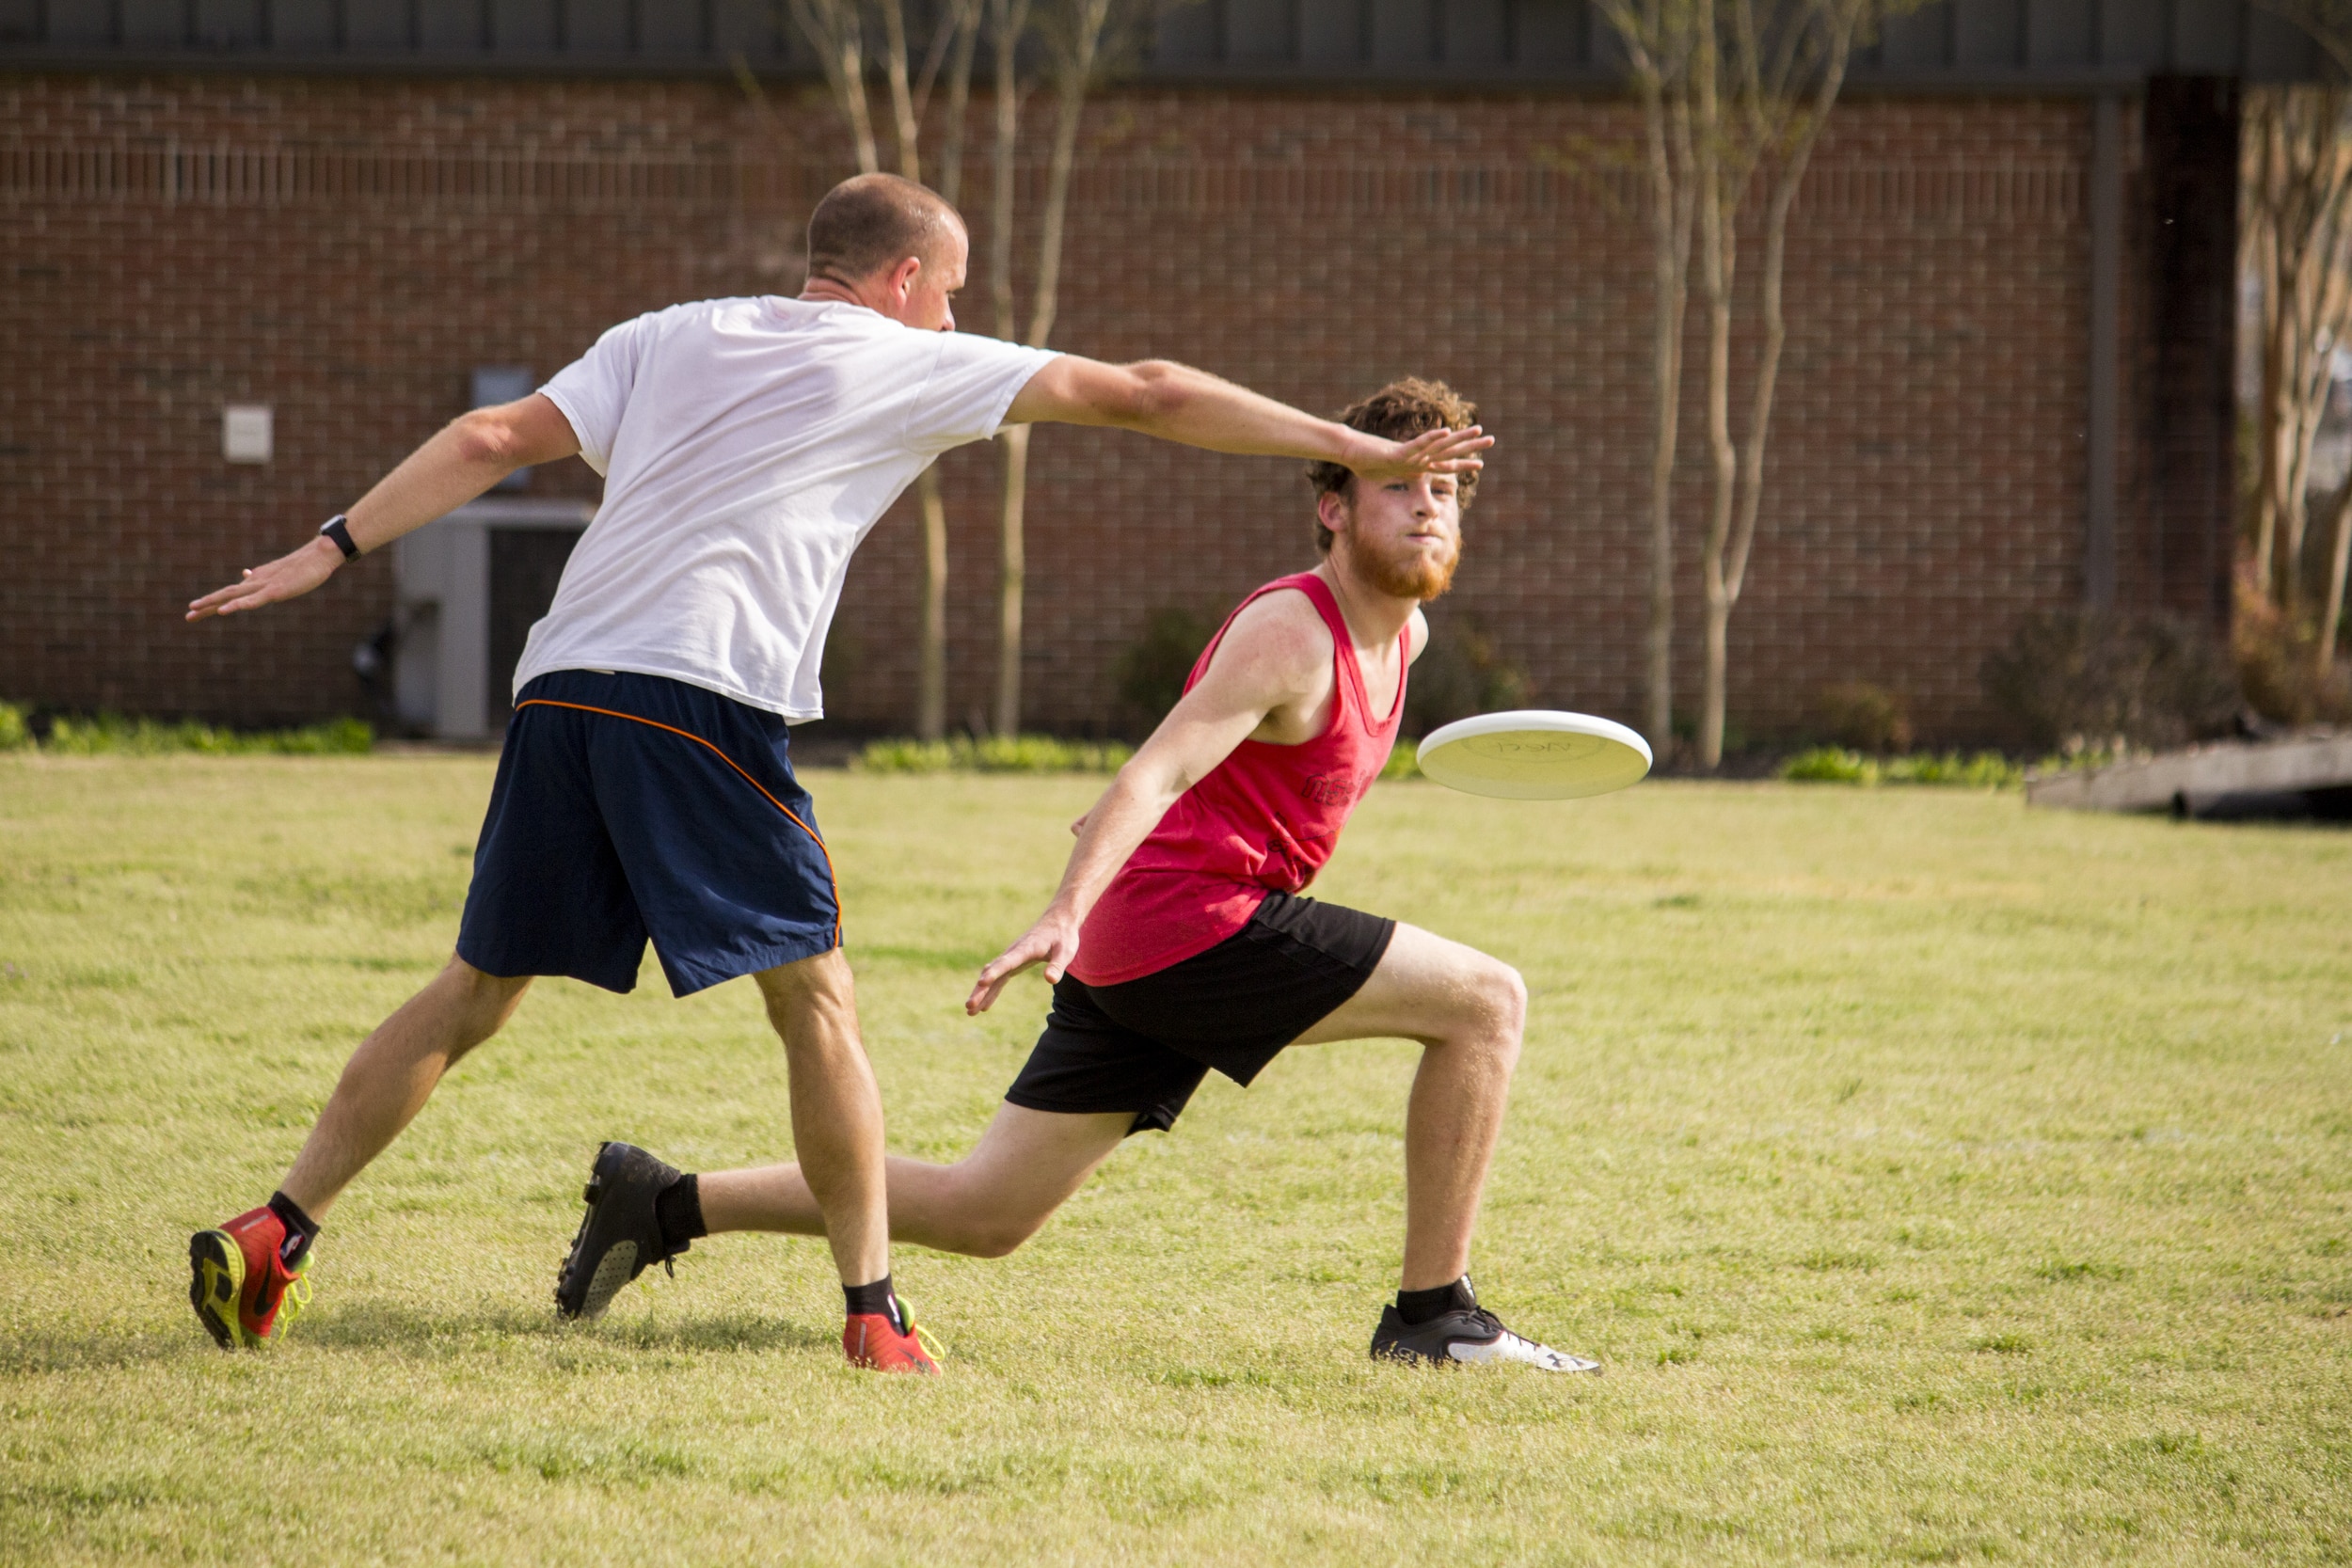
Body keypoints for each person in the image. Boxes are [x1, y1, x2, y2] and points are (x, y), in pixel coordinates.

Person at [179, 176, 1491, 1373]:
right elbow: (1141, 389)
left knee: (476, 990)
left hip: (563, 684)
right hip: (700, 695)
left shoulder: (664, 332)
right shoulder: (896, 358)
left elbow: (484, 437)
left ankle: (278, 1227)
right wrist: (1355, 443)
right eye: (954, 290)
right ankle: (874, 1309)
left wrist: (331, 546)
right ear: (905, 280)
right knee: (817, 997)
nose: (958, 315)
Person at [572, 378, 1596, 1372]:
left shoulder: (1404, 632)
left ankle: (659, 1200)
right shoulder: (1291, 631)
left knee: (986, 1211)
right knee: (1485, 1001)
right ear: (1332, 508)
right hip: (1191, 928)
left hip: (1160, 935)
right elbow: (1157, 766)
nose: (1427, 508)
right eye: (1399, 485)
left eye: (1444, 489)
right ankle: (1433, 1316)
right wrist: (1064, 907)